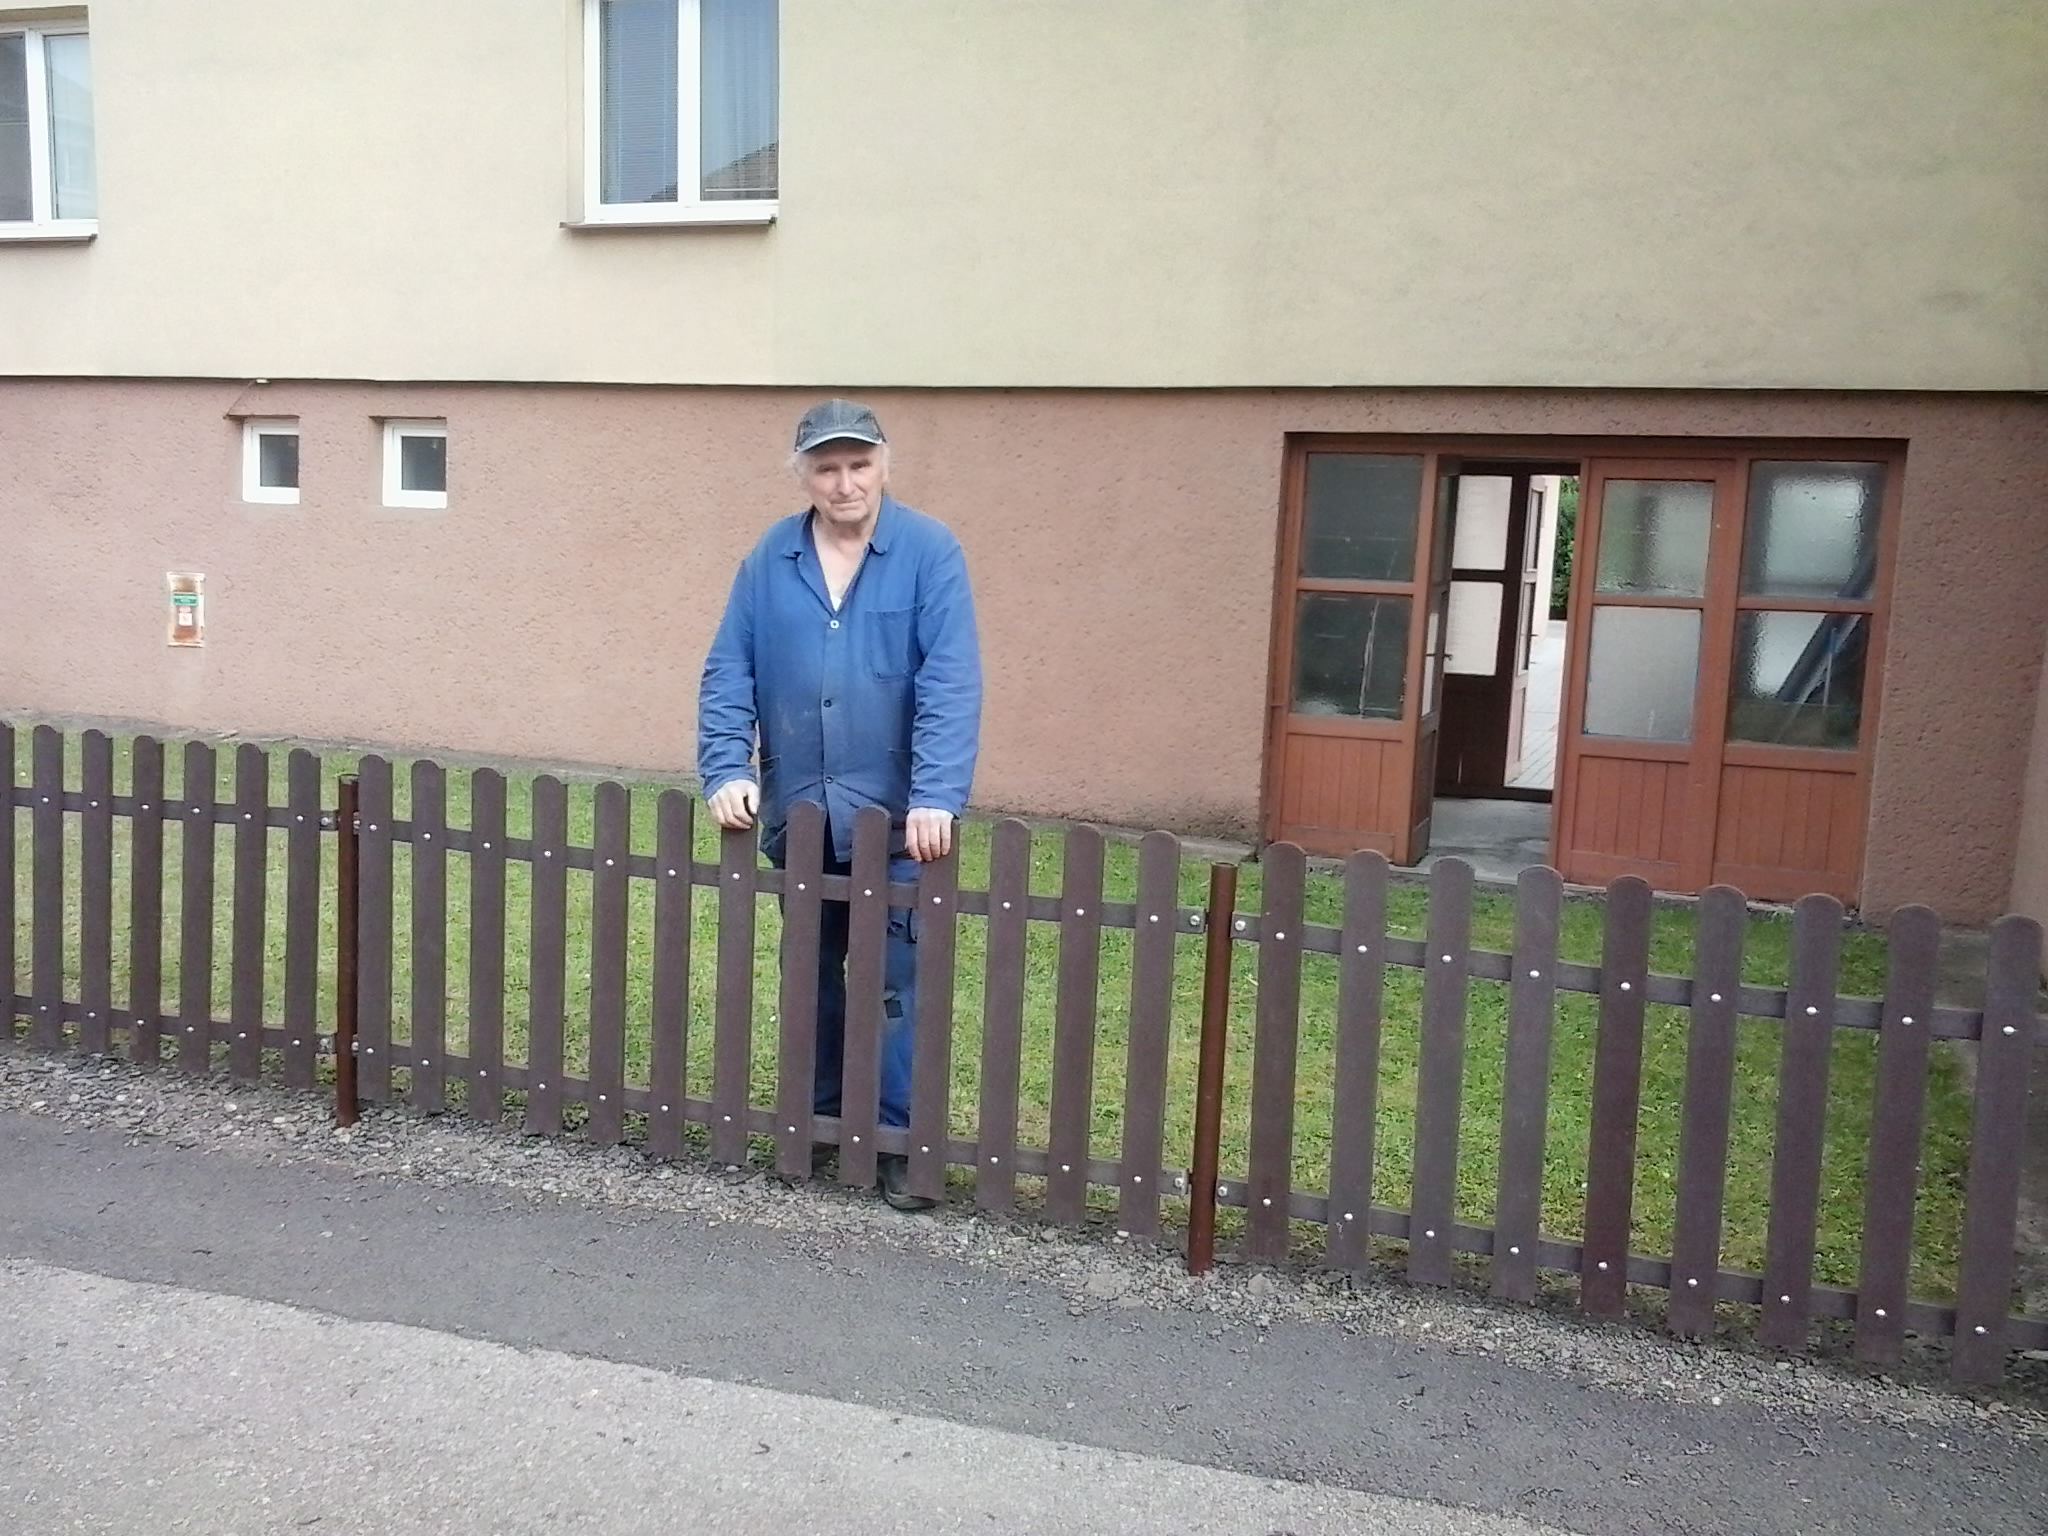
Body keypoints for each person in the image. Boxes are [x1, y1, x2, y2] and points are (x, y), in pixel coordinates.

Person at [696, 399, 981, 1211]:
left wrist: (936, 794)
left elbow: (950, 679)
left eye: (859, 464)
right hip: (801, 812)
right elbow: (729, 669)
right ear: (802, 476)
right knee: (811, 977)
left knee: (893, 985)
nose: (845, 482)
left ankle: (897, 1143)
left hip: (895, 821)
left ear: (885, 465)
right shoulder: (769, 558)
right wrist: (725, 766)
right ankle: (816, 1124)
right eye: (827, 467)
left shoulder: (929, 551)